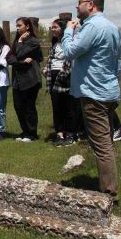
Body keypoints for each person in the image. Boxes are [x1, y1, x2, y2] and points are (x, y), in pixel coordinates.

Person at [61, 0, 121, 199]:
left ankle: (108, 193)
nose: (77, 7)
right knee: (107, 142)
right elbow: (117, 62)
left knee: (102, 145)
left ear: (91, 4)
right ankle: (108, 183)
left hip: (94, 93)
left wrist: (68, 31)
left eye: (79, 3)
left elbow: (69, 52)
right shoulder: (112, 27)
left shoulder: (93, 26)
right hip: (109, 90)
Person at [44, 18, 77, 147]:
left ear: (63, 28)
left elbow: (71, 58)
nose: (53, 29)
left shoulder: (70, 41)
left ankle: (70, 133)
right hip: (53, 75)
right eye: (52, 27)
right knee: (56, 106)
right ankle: (59, 133)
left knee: (68, 106)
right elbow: (51, 59)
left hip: (65, 75)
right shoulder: (55, 42)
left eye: (55, 27)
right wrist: (46, 69)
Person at [9, 17, 43, 142]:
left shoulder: (33, 41)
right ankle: (25, 131)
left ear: (27, 26)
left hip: (30, 79)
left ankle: (32, 134)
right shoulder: (17, 41)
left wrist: (20, 42)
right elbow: (9, 58)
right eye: (16, 26)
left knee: (29, 106)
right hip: (17, 79)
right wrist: (21, 62)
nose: (17, 28)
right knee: (18, 106)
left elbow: (19, 54)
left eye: (19, 25)